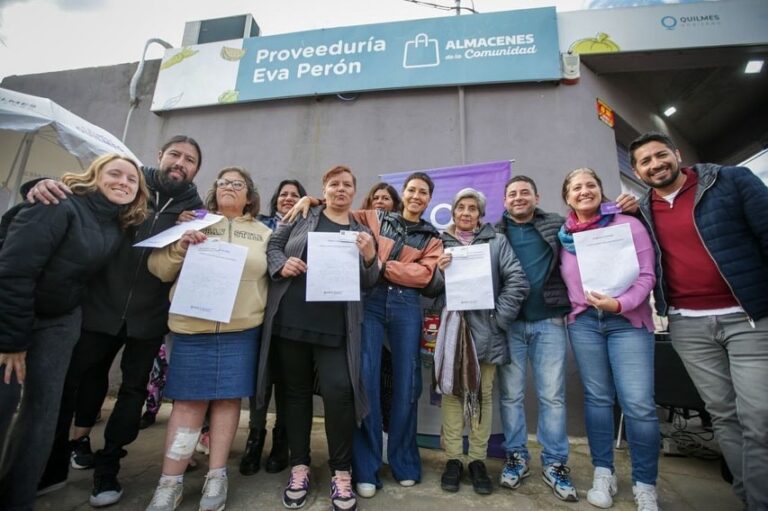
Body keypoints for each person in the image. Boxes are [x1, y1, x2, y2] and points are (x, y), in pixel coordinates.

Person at [28, 135, 204, 506]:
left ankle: (109, 464)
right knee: (80, 381)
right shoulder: (129, 183)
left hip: (150, 315)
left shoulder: (197, 210)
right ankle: (63, 453)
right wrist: (37, 184)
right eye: (175, 154)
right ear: (160, 155)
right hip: (99, 305)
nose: (180, 163)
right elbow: (78, 193)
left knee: (132, 391)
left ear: (196, 170)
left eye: (190, 160)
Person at [0, 154, 148, 511]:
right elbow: (14, 270)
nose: (123, 182)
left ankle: (17, 499)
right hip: (14, 315)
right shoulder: (56, 203)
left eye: (132, 179)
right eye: (115, 173)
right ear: (94, 175)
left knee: (42, 414)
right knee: (3, 404)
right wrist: (12, 341)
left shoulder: (118, 222)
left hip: (61, 319)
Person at [631, 131, 768, 511]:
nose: (655, 164)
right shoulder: (641, 210)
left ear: (677, 154)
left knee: (759, 416)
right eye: (645, 161)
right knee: (723, 415)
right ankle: (751, 498)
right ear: (637, 171)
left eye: (660, 155)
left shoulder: (729, 181)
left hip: (747, 318)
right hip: (688, 324)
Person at [287, 172, 443, 498]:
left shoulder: (432, 237)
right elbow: (337, 206)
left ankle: (404, 463)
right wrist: (311, 199)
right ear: (403, 194)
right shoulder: (374, 217)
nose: (416, 196)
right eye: (412, 190)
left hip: (405, 304)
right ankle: (366, 468)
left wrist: (382, 266)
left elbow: (425, 276)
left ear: (429, 199)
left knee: (407, 382)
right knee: (366, 380)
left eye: (423, 192)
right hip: (369, 300)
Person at [145, 167, 271, 511]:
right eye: (223, 182)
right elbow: (159, 269)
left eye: (237, 183)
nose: (229, 187)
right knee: (188, 403)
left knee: (228, 401)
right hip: (192, 329)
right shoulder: (192, 222)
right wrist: (181, 246)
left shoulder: (263, 232)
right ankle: (170, 481)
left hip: (241, 331)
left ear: (249, 196)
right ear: (214, 191)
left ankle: (217, 474)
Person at [254, 165, 378, 511]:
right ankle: (299, 467)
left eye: (347, 184)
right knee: (294, 396)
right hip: (292, 319)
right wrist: (282, 264)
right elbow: (273, 246)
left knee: (339, 394)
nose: (341, 189)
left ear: (354, 191)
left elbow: (370, 281)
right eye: (334, 184)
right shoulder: (303, 214)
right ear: (324, 189)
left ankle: (341, 471)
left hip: (336, 327)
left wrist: (370, 256)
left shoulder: (361, 230)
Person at [558, 168, 659, 511]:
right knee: (598, 399)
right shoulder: (564, 236)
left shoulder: (628, 224)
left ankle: (645, 484)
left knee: (638, 404)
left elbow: (647, 275)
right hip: (585, 323)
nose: (584, 191)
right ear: (567, 197)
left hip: (627, 321)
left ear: (601, 191)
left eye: (591, 185)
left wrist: (620, 304)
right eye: (576, 187)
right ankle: (604, 472)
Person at [432, 188, 529, 495]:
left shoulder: (496, 241)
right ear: (453, 212)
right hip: (453, 330)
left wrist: (499, 318)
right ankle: (453, 459)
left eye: (472, 208)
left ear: (480, 214)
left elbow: (517, 280)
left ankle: (476, 459)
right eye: (461, 207)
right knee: (452, 393)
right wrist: (439, 272)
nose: (466, 212)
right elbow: (429, 288)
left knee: (481, 395)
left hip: (487, 331)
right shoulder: (440, 242)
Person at [494, 175, 579, 501]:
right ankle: (516, 457)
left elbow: (590, 223)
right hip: (510, 324)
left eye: (524, 192)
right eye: (512, 194)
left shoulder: (557, 224)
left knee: (552, 396)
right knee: (511, 396)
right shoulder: (494, 232)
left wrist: (624, 208)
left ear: (536, 197)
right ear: (504, 201)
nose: (518, 198)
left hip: (549, 321)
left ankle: (555, 462)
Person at [239, 178, 307, 476]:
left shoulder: (307, 227)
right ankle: (255, 439)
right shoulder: (260, 225)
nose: (288, 198)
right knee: (261, 380)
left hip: (289, 314)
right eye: (283, 194)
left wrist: (312, 201)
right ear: (275, 199)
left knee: (287, 379)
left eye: (295, 195)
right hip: (257, 312)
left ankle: (282, 439)